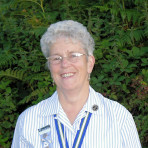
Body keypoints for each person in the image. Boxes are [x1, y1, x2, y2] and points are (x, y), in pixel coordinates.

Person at [11, 20, 141, 148]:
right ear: (50, 66)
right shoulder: (28, 121)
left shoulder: (118, 117)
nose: (65, 64)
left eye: (73, 55)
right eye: (56, 58)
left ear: (89, 63)